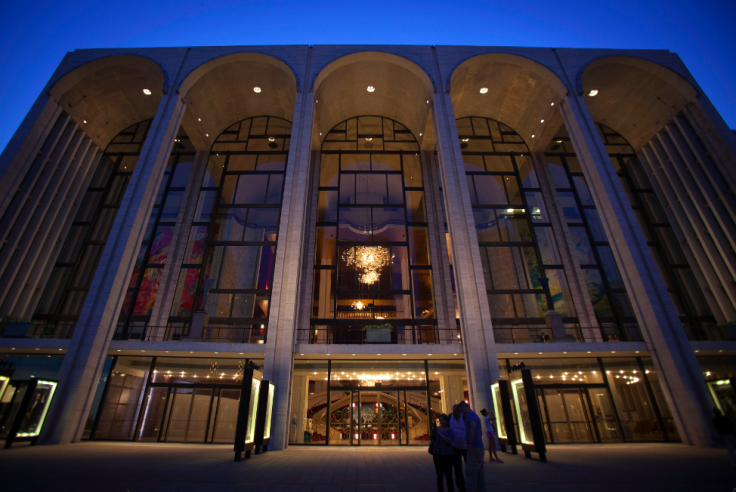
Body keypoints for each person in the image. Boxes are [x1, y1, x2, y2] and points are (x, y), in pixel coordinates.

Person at [458, 401, 485, 492]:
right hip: (479, 446)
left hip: (474, 447)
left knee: (471, 472)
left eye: (461, 410)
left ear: (465, 407)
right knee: (480, 472)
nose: (461, 413)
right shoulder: (474, 414)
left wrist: (469, 442)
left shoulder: (469, 414)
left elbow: (473, 426)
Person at [430, 414, 456, 492]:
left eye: (443, 420)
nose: (442, 422)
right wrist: (432, 435)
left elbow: (450, 440)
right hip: (437, 454)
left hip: (447, 455)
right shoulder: (437, 429)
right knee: (439, 476)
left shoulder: (450, 430)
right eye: (441, 420)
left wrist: (442, 436)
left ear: (447, 421)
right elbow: (432, 440)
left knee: (448, 475)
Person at [449, 404, 467, 492]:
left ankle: (471, 483)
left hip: (466, 447)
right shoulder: (450, 418)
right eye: (453, 411)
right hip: (455, 446)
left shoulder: (465, 418)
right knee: (457, 467)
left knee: (470, 466)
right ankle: (461, 486)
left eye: (456, 411)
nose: (455, 412)